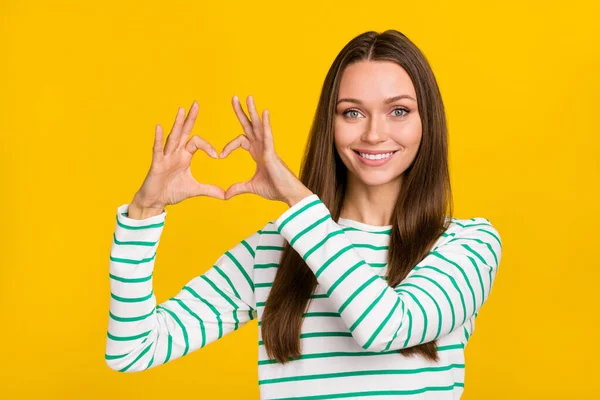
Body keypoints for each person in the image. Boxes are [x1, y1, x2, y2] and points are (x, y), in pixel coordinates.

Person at [105, 29, 502, 399]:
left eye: (398, 111)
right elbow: (133, 349)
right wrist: (144, 212)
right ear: (329, 124)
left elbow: (385, 327)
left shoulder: (467, 245)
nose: (374, 134)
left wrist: (296, 197)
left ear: (426, 122)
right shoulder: (277, 248)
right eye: (352, 113)